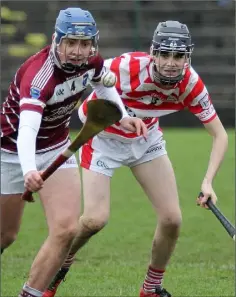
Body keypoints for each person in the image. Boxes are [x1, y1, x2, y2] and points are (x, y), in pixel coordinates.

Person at [44, 21, 228, 297]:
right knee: (94, 220)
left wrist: (208, 182)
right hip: (102, 138)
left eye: (178, 56)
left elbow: (220, 135)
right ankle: (58, 267)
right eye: (164, 54)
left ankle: (151, 288)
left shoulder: (191, 84)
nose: (170, 63)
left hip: (146, 141)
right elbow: (87, 78)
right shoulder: (125, 67)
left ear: (187, 57)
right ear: (152, 52)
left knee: (172, 220)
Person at [0, 7, 146, 297]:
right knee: (6, 235)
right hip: (11, 153)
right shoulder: (39, 77)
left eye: (85, 43)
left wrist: (122, 114)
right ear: (57, 40)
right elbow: (27, 130)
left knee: (66, 230)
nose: (78, 51)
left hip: (56, 147)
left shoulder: (91, 60)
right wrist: (29, 169)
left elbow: (103, 83)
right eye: (71, 43)